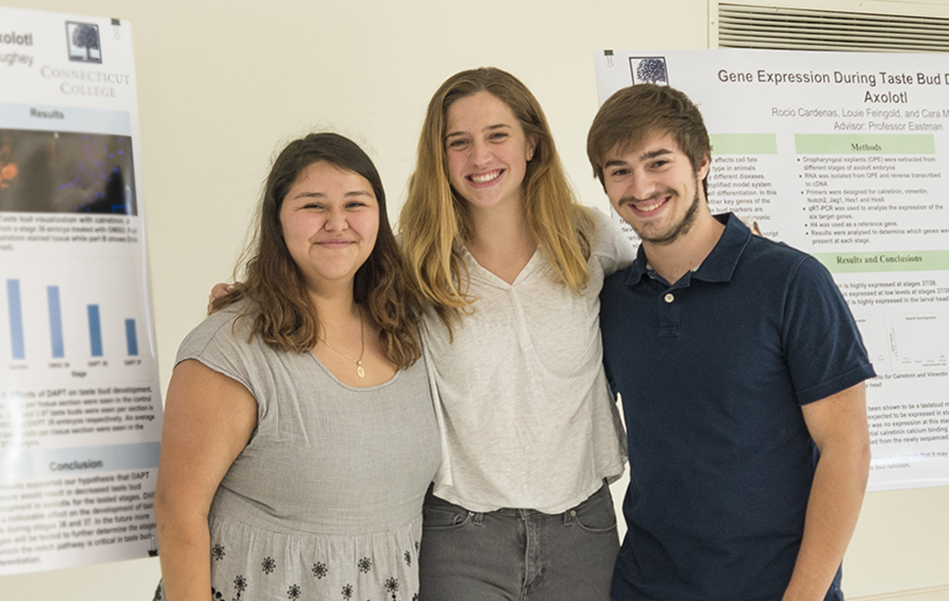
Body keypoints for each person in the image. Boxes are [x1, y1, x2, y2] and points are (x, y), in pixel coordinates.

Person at [587, 83, 874, 601]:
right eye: (619, 170)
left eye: (658, 162)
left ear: (701, 162)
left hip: (775, 588)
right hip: (645, 586)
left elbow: (846, 449)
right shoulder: (612, 302)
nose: (641, 186)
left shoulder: (791, 281)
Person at [155, 132, 439, 601]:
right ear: (278, 220)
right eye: (312, 206)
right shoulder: (231, 348)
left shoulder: (408, 331)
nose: (337, 223)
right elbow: (177, 509)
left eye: (355, 203)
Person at [402, 68, 631, 600]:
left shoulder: (588, 237)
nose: (479, 157)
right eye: (458, 142)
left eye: (497, 135)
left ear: (532, 142)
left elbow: (671, 279)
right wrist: (248, 298)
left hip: (584, 527)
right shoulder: (415, 258)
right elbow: (329, 295)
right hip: (460, 533)